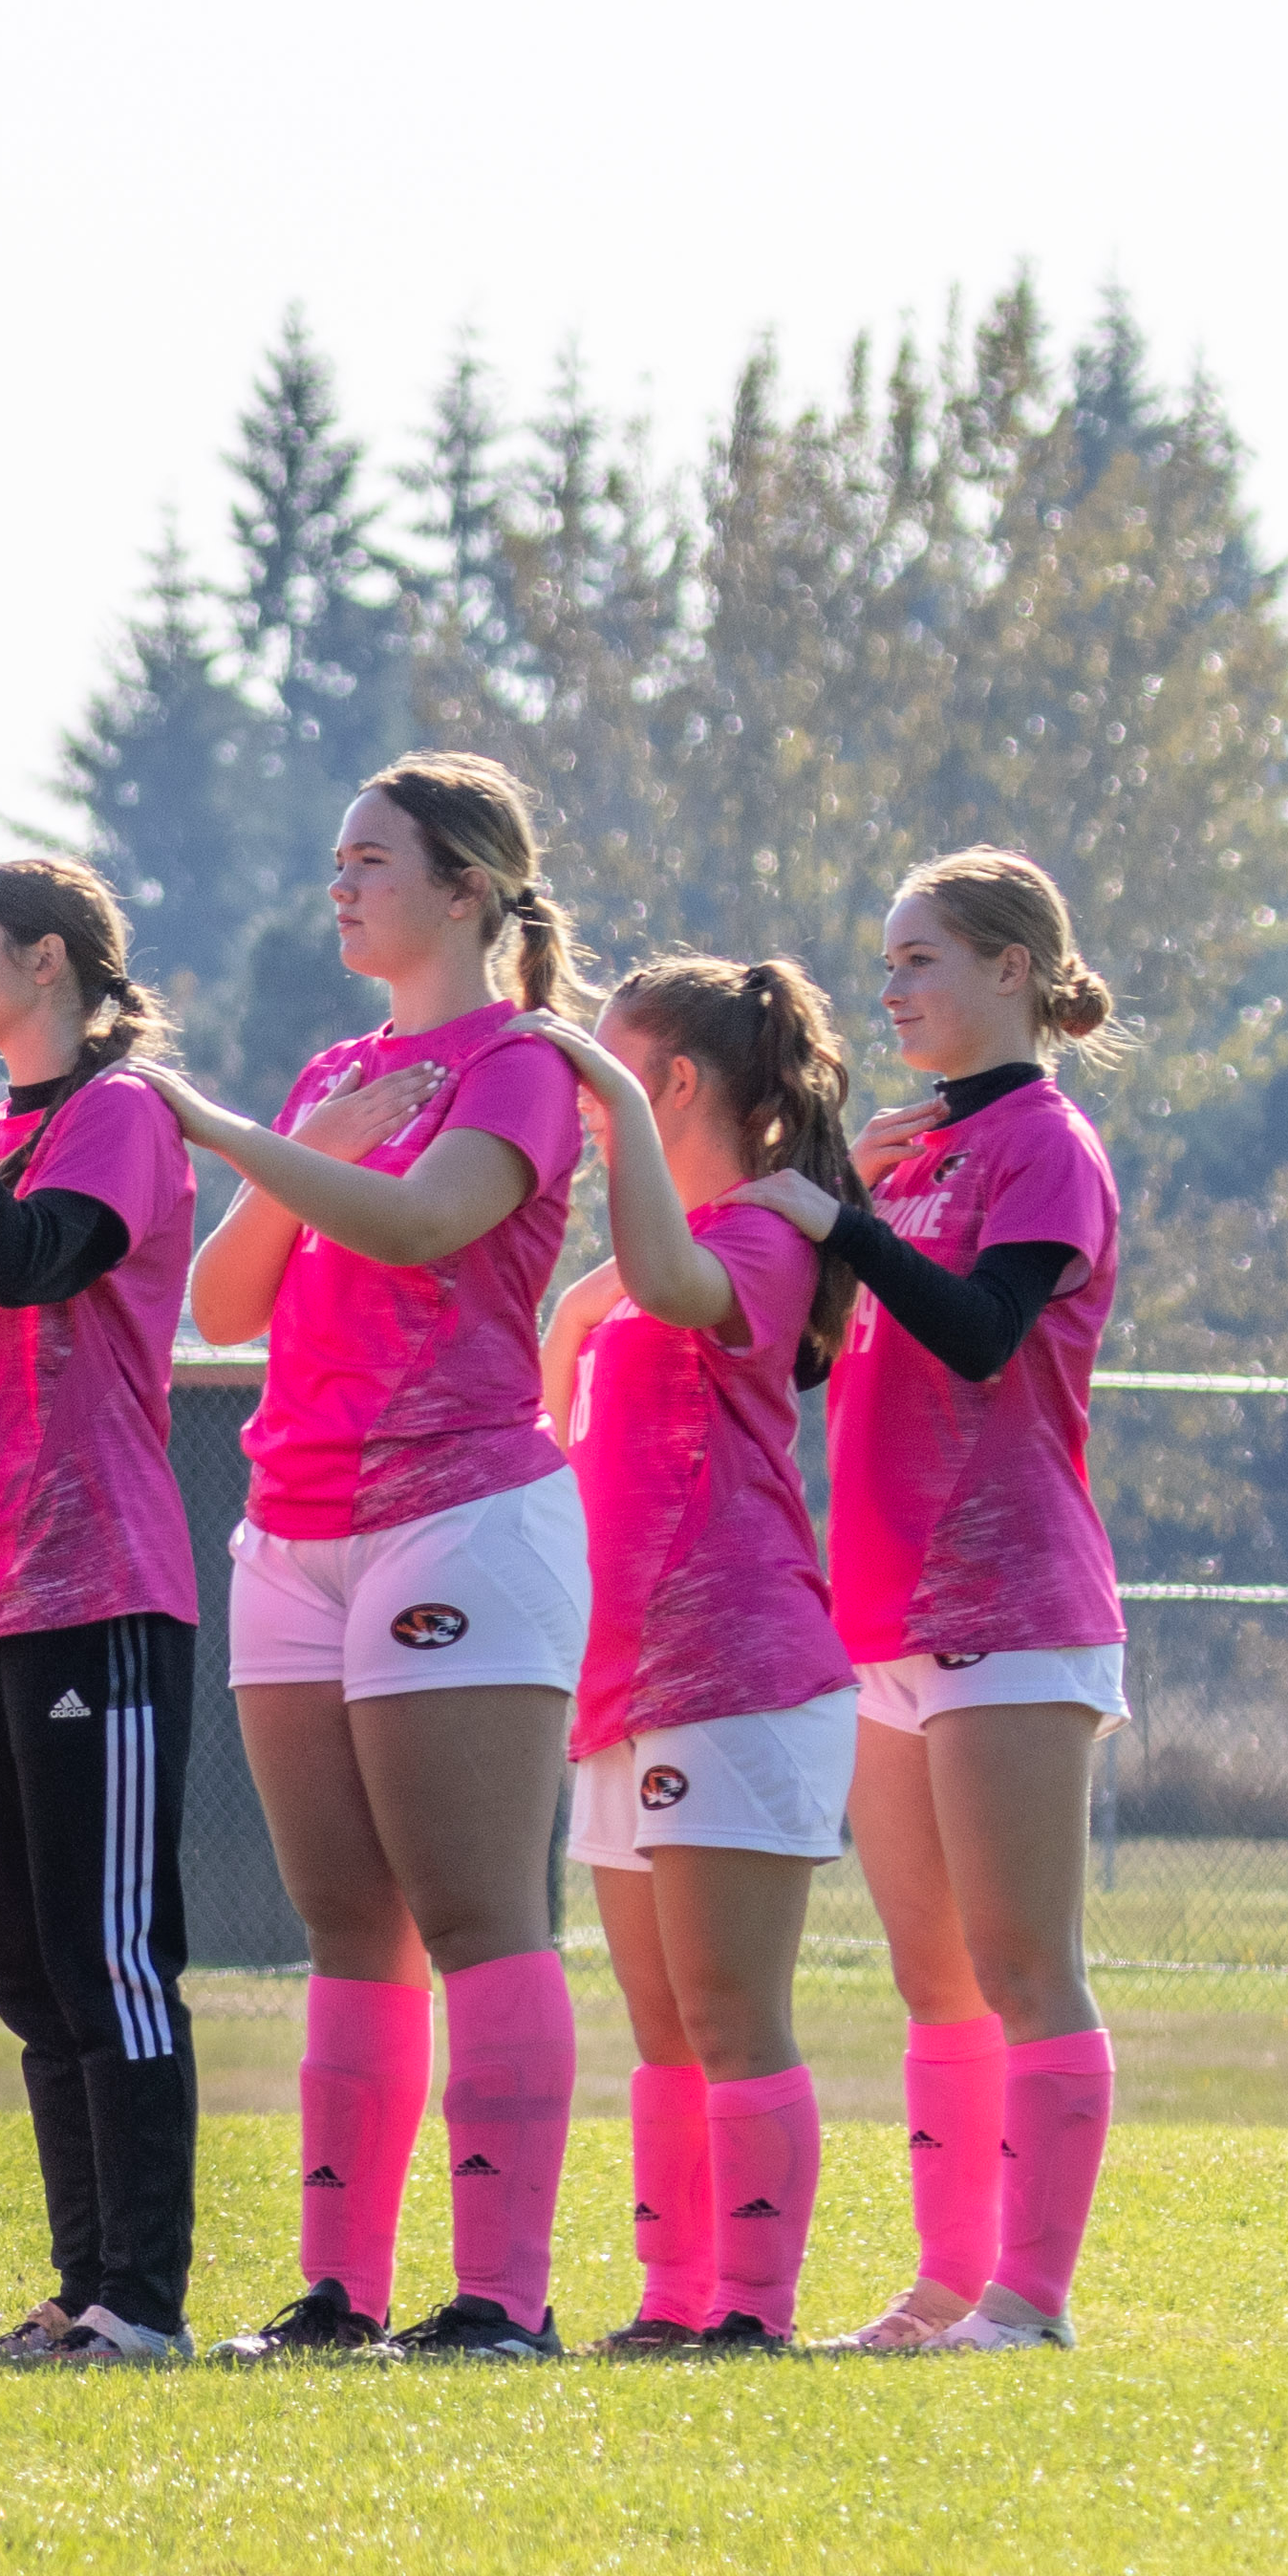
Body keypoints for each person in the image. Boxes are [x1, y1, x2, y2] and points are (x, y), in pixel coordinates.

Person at [160, 751, 592, 2361]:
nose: (339, 884)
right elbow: (225, 1303)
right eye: (336, 858)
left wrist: (223, 1130)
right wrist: (296, 1134)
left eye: (372, 861)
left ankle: (501, 2300)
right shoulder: (342, 1066)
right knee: (345, 1920)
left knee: (476, 1912)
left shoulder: (524, 1062)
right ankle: (338, 2293)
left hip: (461, 1507)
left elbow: (420, 1228)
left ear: (466, 891)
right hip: (295, 1523)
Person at [0, 858, 204, 2367]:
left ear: (52, 962)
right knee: (27, 1973)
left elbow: (28, 1265)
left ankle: (142, 2301)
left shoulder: (119, 1112)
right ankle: (82, 2295)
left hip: (96, 1586)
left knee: (108, 1955)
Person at [811, 848, 1134, 2351]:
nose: (894, 989)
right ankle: (952, 2281)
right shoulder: (917, 1153)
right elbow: (820, 1353)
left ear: (1014, 971)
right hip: (883, 1610)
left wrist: (849, 1224)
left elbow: (986, 1336)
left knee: (1019, 1963)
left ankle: (1033, 2297)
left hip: (1010, 1597)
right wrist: (855, 1197)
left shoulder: (1044, 1145)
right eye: (887, 961)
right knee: (933, 1976)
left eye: (923, 957)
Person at [542, 957, 856, 2359]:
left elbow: (671, 1280)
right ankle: (674, 2302)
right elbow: (574, 1374)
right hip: (622, 1678)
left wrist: (601, 1257)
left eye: (610, 1075)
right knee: (660, 2023)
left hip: (737, 1665)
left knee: (731, 2010)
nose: (587, 1108)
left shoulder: (762, 1241)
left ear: (669, 1083)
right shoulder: (661, 1251)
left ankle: (755, 2312)